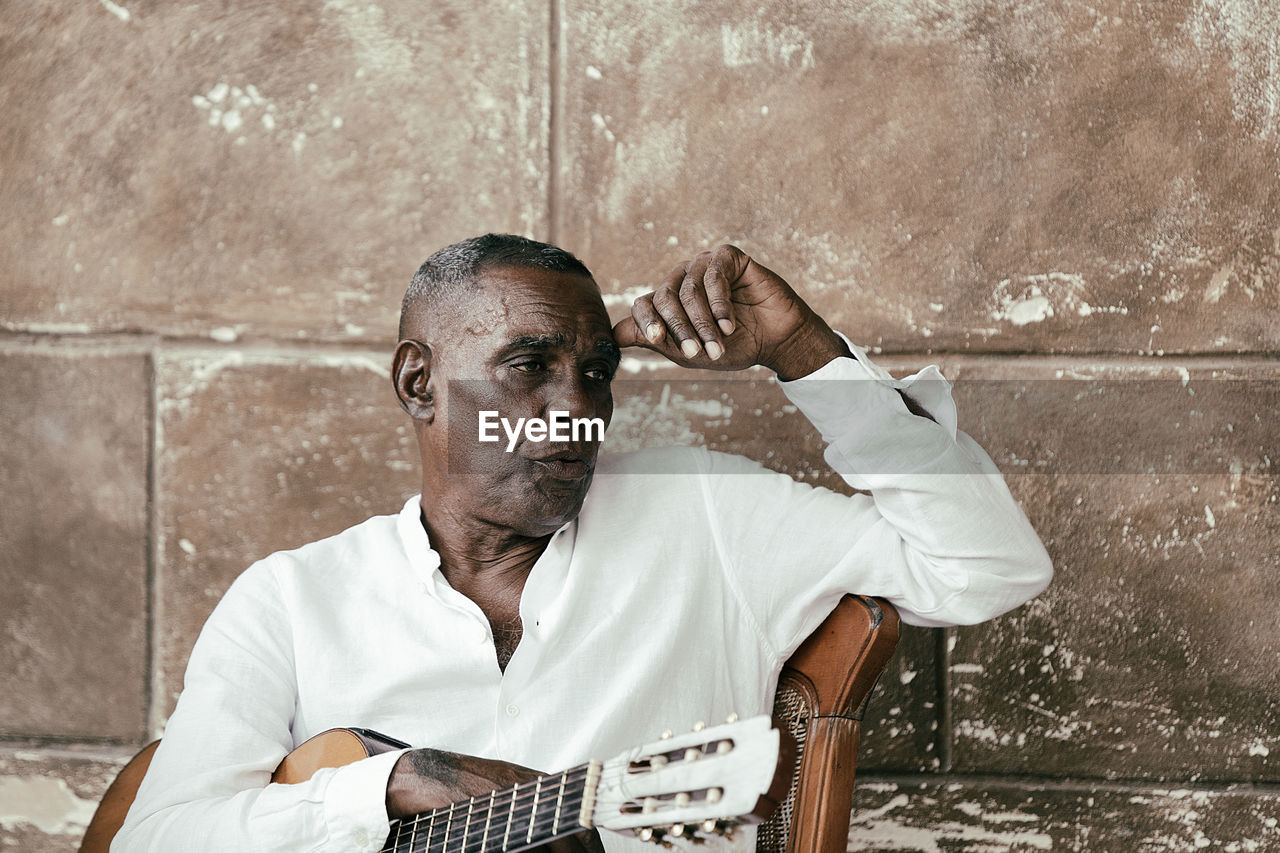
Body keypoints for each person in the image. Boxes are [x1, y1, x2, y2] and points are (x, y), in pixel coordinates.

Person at [113, 235, 1052, 852]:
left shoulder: (705, 513)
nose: (574, 409)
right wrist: (401, 782)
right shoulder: (292, 597)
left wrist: (801, 349)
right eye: (529, 367)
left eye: (595, 373)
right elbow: (154, 834)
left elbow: (988, 567)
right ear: (417, 382)